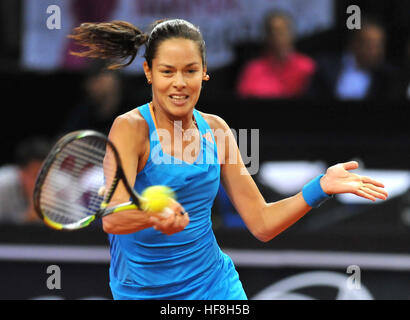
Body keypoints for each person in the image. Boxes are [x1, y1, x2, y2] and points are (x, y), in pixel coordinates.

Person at [69, 19, 388, 300]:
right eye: (168, 71)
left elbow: (262, 223)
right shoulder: (130, 129)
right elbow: (112, 219)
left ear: (204, 73)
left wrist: (320, 187)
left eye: (190, 70)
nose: (180, 83)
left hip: (214, 286)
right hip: (142, 293)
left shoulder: (217, 130)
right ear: (149, 72)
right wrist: (153, 215)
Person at [310, 18, 396, 100]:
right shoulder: (326, 66)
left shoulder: (386, 77)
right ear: (354, 43)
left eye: (379, 46)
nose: (375, 51)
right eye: (370, 45)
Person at [236, 11, 316, 99]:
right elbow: (242, 105)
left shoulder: (306, 67)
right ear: (267, 37)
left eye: (283, 31)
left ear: (292, 33)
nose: (278, 37)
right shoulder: (253, 70)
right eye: (273, 32)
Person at [60, 63, 123, 135]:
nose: (96, 85)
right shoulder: (81, 113)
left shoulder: (132, 113)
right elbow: (65, 138)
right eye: (94, 79)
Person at [0, 137, 50, 224]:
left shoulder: (62, 186)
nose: (42, 182)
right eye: (35, 176)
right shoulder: (2, 184)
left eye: (46, 175)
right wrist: (29, 217)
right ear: (21, 173)